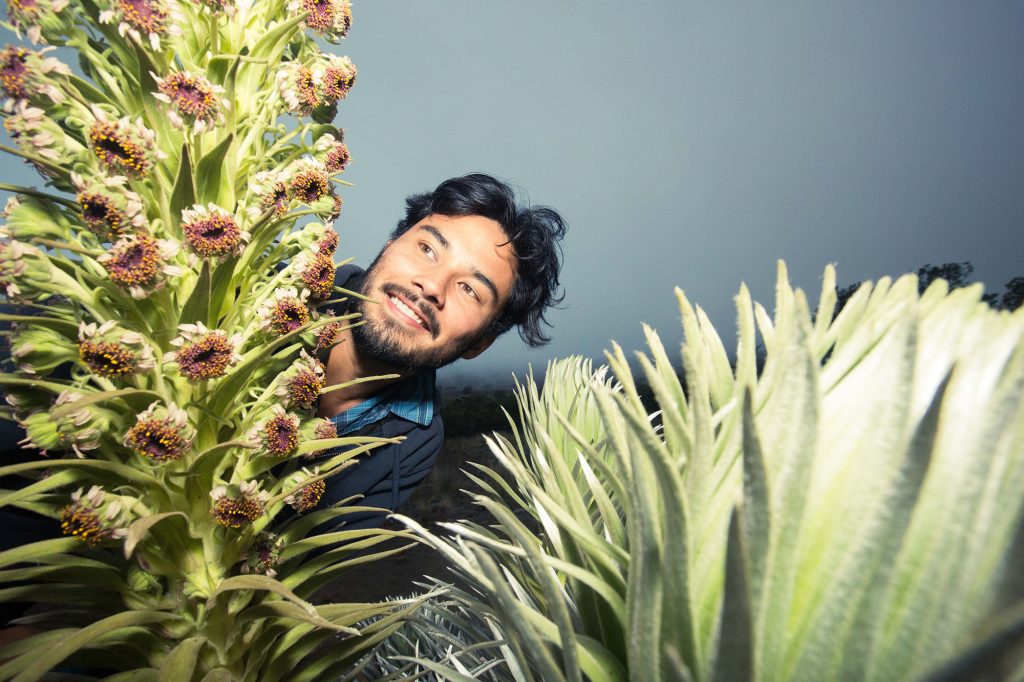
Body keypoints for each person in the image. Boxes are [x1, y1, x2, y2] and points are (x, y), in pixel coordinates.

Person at [310, 173, 567, 528]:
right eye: (427, 249)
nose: (432, 286)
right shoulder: (263, 291)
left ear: (479, 344)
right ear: (389, 244)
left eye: (469, 289)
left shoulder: (415, 446)